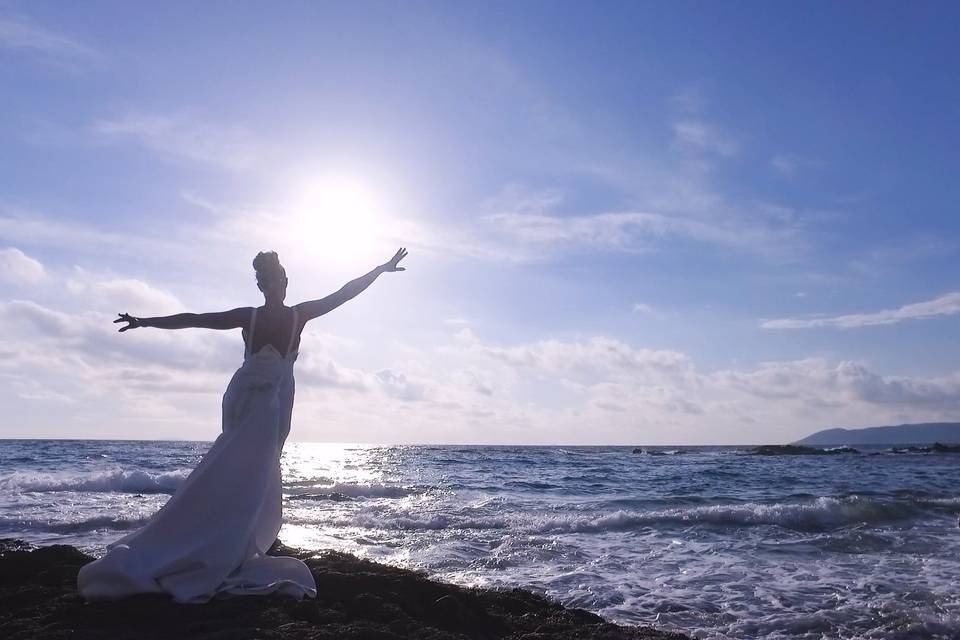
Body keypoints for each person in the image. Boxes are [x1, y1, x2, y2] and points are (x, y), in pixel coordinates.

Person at [77, 248, 408, 603]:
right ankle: (224, 542)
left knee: (259, 467)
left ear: (285, 281)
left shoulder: (301, 314)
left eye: (275, 279)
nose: (272, 285)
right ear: (261, 285)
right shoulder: (247, 316)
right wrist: (146, 322)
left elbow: (343, 293)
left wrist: (380, 269)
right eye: (265, 281)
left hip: (278, 398)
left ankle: (237, 537)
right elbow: (197, 318)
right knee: (243, 465)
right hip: (253, 400)